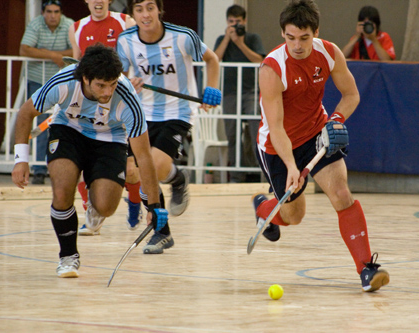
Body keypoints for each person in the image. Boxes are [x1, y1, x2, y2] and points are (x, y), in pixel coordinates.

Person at [252, 0, 389, 292]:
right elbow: (275, 128)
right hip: (278, 148)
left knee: (341, 193)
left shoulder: (329, 53)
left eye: (304, 38)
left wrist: (335, 120)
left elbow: (351, 94)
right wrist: (291, 166)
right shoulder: (272, 69)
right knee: (294, 216)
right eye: (290, 38)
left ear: (316, 32)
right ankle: (265, 208)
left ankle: (366, 269)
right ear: (282, 34)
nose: (297, 45)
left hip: (316, 134)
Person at [11, 44, 166, 278]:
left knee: (106, 206)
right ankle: (68, 256)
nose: (107, 92)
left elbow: (144, 157)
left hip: (110, 139)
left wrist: (154, 205)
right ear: (85, 78)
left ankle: (94, 198)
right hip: (68, 130)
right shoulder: (63, 82)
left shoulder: (127, 99)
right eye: (101, 85)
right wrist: (20, 159)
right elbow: (25, 112)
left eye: (113, 84)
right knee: (62, 192)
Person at [117, 0, 221, 254]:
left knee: (152, 168)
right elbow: (118, 78)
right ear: (132, 13)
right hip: (141, 114)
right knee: (134, 173)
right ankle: (163, 232)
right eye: (139, 9)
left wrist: (212, 88)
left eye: (150, 8)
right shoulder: (125, 41)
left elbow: (212, 59)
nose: (145, 14)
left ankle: (175, 181)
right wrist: (129, 83)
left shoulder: (183, 37)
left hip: (178, 112)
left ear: (159, 10)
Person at [68, 0, 138, 236]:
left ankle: (136, 203)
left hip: (120, 102)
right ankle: (91, 211)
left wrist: (136, 79)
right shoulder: (76, 28)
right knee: (76, 160)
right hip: (90, 105)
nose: (98, 1)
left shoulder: (125, 22)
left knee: (131, 167)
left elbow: (139, 57)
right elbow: (77, 66)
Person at [19, 0, 74, 184]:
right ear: (43, 12)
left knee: (67, 123)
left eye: (56, 11)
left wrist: (42, 51)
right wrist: (55, 56)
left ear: (61, 12)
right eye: (49, 11)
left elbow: (76, 51)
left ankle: (65, 166)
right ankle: (39, 169)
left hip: (64, 83)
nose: (53, 15)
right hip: (37, 81)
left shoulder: (69, 25)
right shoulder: (35, 24)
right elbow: (24, 49)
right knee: (40, 125)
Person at [213, 5, 266, 183]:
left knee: (256, 131)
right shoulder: (222, 39)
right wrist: (228, 39)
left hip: (251, 91)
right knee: (232, 134)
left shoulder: (252, 38)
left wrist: (240, 43)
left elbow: (260, 60)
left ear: (245, 21)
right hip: (229, 93)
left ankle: (261, 173)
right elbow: (215, 59)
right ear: (227, 23)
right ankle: (236, 176)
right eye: (231, 22)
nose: (235, 25)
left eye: (238, 22)